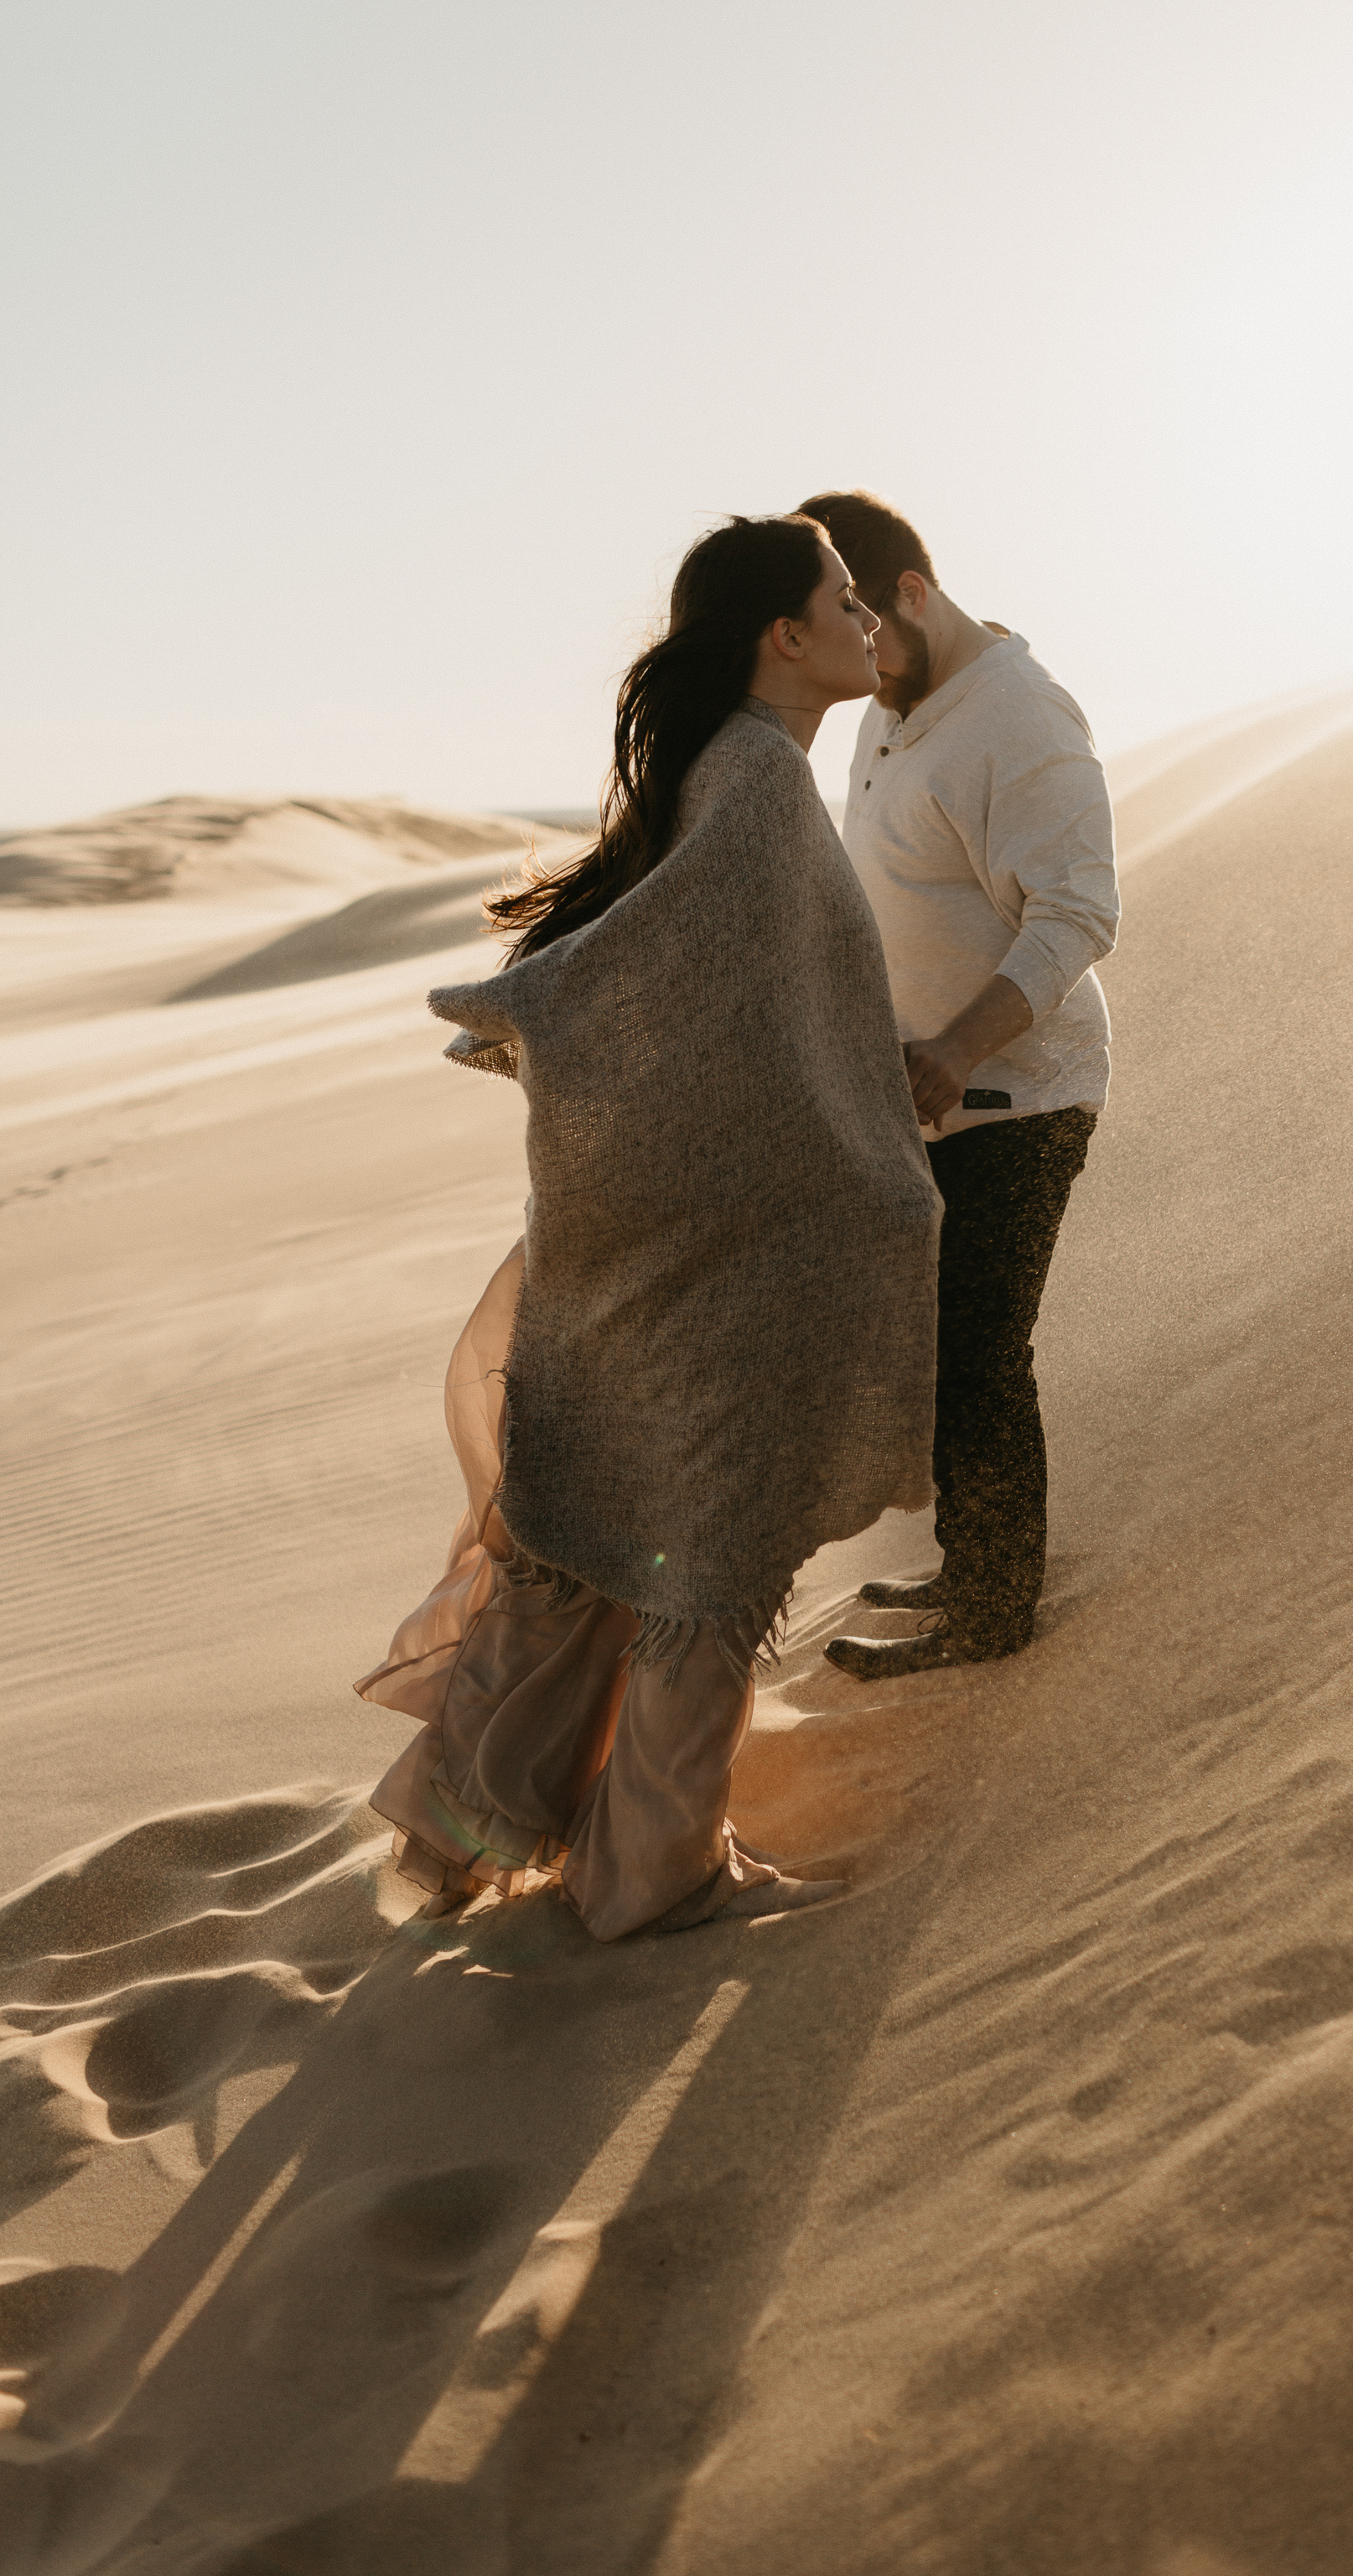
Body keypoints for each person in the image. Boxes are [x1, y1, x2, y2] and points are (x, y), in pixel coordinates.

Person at [356, 515, 941, 1936]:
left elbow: (722, 1009)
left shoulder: (739, 772)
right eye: (841, 599)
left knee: (594, 1556)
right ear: (780, 638)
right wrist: (524, 1010)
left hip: (665, 1258)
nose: (868, 619)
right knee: (712, 1565)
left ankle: (474, 1835)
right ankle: (654, 1874)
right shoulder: (753, 782)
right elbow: (647, 985)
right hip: (716, 1270)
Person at [796, 490, 1119, 1680]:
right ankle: (969, 1559)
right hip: (915, 1094)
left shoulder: (1020, 720)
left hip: (1020, 1097)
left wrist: (955, 1049)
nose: (857, 661)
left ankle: (992, 1613)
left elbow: (1080, 913)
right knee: (934, 1352)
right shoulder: (898, 699)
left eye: (866, 628)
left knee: (981, 1355)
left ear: (916, 597)